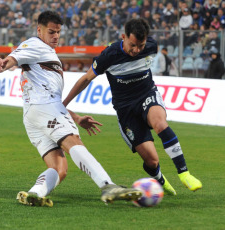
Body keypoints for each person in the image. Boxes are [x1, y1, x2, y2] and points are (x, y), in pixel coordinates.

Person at [0, 11, 142, 207]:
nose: (55, 36)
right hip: (43, 108)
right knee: (74, 142)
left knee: (59, 167)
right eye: (51, 32)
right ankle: (108, 185)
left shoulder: (46, 53)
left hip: (33, 115)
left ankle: (34, 193)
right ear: (39, 30)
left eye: (58, 32)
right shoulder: (36, 44)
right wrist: (4, 63)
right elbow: (14, 58)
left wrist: (77, 118)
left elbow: (53, 100)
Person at [63, 18, 202, 196]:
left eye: (141, 46)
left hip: (147, 95)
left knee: (159, 123)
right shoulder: (109, 55)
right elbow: (85, 79)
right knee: (152, 161)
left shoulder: (152, 46)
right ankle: (160, 179)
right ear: (124, 37)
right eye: (133, 45)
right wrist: (65, 103)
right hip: (126, 109)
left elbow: (145, 50)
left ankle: (184, 173)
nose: (136, 51)